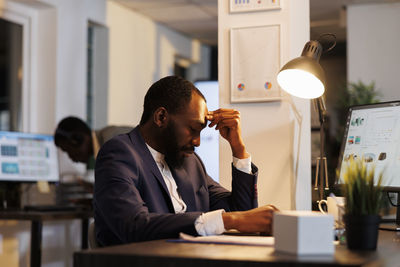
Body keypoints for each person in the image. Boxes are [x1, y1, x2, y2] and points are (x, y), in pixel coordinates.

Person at [94, 76, 277, 246]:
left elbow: (241, 213)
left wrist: (238, 149)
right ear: (161, 117)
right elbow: (134, 226)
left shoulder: (189, 162)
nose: (197, 141)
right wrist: (229, 220)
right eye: (192, 129)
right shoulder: (120, 153)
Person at [54, 117, 132, 165]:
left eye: (68, 151)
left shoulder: (109, 143)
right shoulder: (104, 143)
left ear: (77, 139)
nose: (71, 158)